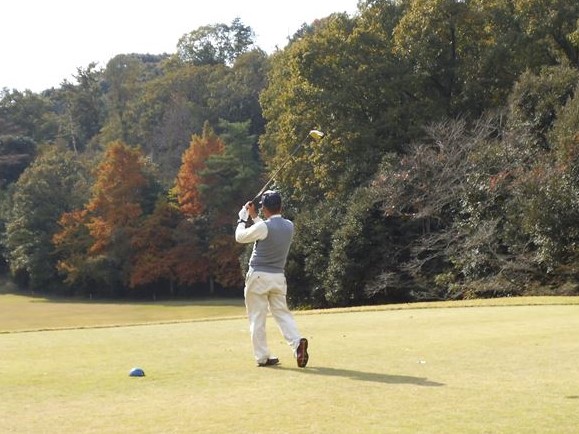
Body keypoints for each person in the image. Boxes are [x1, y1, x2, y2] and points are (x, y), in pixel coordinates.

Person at [235, 190, 309, 368]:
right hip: (278, 277)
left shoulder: (263, 227)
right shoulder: (289, 225)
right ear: (281, 206)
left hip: (258, 276)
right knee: (282, 314)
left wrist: (242, 218)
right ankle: (297, 343)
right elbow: (266, 229)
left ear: (265, 209)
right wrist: (254, 216)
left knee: (257, 317)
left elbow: (240, 237)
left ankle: (263, 357)